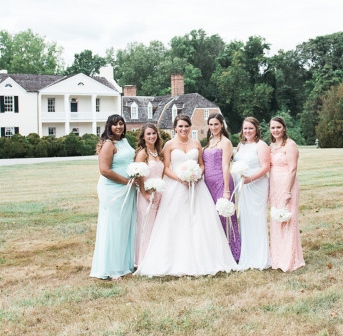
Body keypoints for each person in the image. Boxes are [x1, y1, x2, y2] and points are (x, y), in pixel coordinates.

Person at [135, 114, 238, 276]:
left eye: (186, 126)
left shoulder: (196, 143)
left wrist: (196, 176)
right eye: (180, 126)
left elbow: (202, 165)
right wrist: (180, 179)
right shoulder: (169, 145)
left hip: (196, 187)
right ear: (175, 128)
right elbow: (166, 167)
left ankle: (205, 258)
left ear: (190, 128)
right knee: (175, 221)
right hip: (176, 187)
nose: (183, 129)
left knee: (200, 221)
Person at [90, 114, 138, 280]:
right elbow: (104, 170)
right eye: (115, 125)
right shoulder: (108, 144)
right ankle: (110, 269)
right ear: (108, 127)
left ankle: (124, 266)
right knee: (113, 226)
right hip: (112, 189)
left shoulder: (124, 141)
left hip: (128, 189)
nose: (119, 127)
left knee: (125, 227)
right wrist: (126, 181)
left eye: (121, 124)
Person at [268, 116, 305, 272]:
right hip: (274, 185)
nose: (275, 130)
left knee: (288, 220)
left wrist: (287, 191)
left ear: (284, 128)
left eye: (278, 127)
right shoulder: (272, 146)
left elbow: (293, 169)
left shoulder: (290, 145)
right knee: (276, 221)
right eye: (272, 128)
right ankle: (277, 257)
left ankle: (290, 258)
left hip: (287, 184)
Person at [234, 117, 271, 270]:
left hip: (256, 186)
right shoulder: (240, 146)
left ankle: (260, 257)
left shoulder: (261, 145)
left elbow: (265, 167)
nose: (247, 131)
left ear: (256, 129)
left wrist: (250, 179)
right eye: (245, 128)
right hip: (243, 188)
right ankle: (247, 255)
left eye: (251, 128)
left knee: (257, 219)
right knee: (244, 218)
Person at [203, 113, 240, 262]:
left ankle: (233, 253)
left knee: (224, 216)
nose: (213, 127)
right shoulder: (210, 141)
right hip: (207, 185)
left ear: (222, 125)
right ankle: (217, 252)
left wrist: (226, 190)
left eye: (216, 124)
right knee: (212, 218)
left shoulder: (226, 142)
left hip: (221, 181)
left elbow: (226, 166)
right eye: (211, 125)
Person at [133, 123, 165, 266]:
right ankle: (142, 261)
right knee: (145, 227)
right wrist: (144, 193)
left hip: (160, 194)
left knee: (156, 227)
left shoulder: (159, 152)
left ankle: (155, 258)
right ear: (143, 137)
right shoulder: (143, 153)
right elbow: (138, 175)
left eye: (153, 133)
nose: (152, 136)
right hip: (146, 195)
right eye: (148, 134)